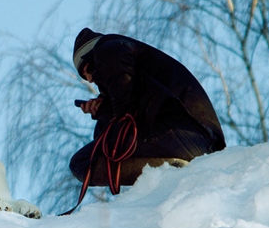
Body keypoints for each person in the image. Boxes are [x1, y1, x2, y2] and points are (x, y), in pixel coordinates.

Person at [69, 28, 225, 192]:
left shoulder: (107, 49)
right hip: (200, 141)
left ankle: (168, 169)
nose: (90, 79)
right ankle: (167, 167)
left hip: (185, 134)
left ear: (91, 56)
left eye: (86, 71)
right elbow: (137, 97)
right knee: (104, 131)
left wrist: (116, 111)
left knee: (84, 161)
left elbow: (125, 101)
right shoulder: (136, 59)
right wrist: (104, 109)